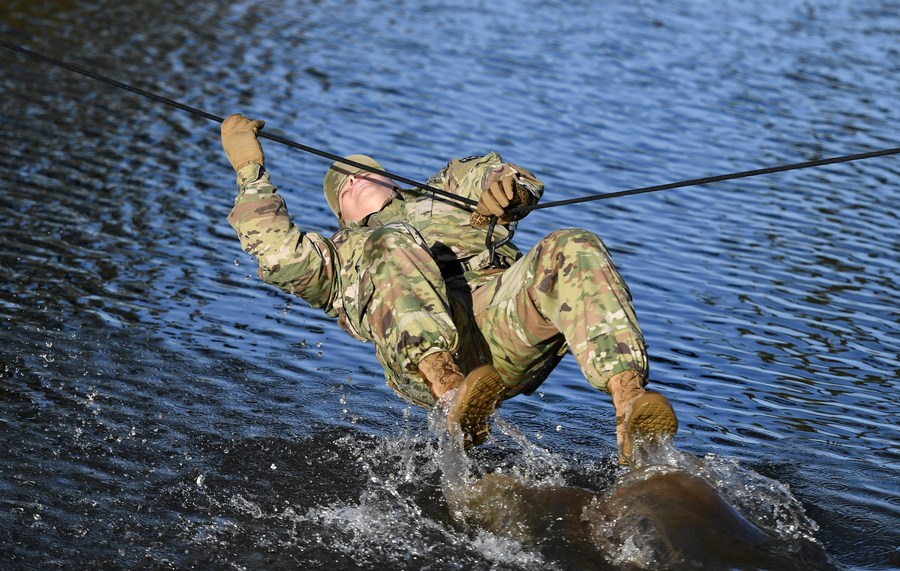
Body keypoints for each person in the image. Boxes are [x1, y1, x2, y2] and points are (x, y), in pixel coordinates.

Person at [220, 114, 678, 463]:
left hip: (502, 327)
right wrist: (249, 170)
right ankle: (453, 394)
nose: (356, 177)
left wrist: (507, 191)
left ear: (393, 182)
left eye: (366, 171)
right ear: (342, 215)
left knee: (573, 244)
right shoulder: (340, 255)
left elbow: (500, 176)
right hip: (426, 361)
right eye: (345, 185)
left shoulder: (443, 196)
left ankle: (630, 407)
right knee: (392, 242)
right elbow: (277, 254)